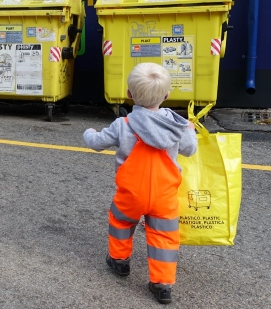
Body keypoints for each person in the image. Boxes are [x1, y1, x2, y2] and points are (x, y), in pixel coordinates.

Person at [83, 62, 197, 305]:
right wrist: (190, 130)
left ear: (129, 94)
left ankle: (119, 261)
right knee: (164, 237)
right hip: (164, 196)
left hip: (130, 193)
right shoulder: (177, 127)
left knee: (121, 223)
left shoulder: (123, 125)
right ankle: (162, 284)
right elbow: (190, 149)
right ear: (167, 95)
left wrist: (88, 132)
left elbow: (96, 142)